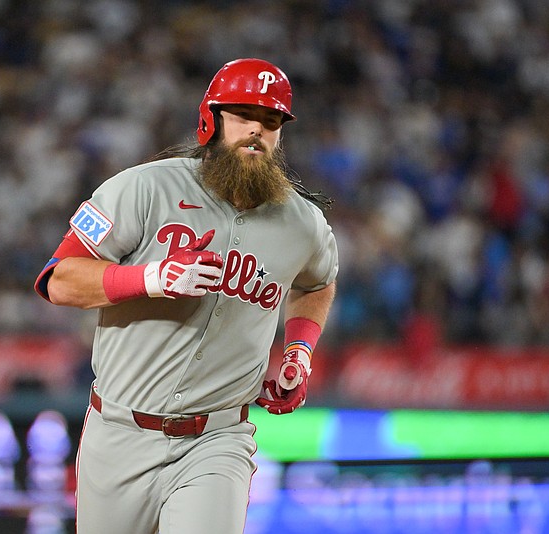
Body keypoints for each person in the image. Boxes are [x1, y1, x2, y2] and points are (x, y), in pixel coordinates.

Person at [34, 57, 338, 534]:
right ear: (211, 120)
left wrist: (299, 350)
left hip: (218, 439)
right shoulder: (143, 188)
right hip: (119, 432)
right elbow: (59, 278)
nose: (257, 130)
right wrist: (149, 279)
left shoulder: (302, 222)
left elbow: (319, 282)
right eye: (243, 116)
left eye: (271, 120)